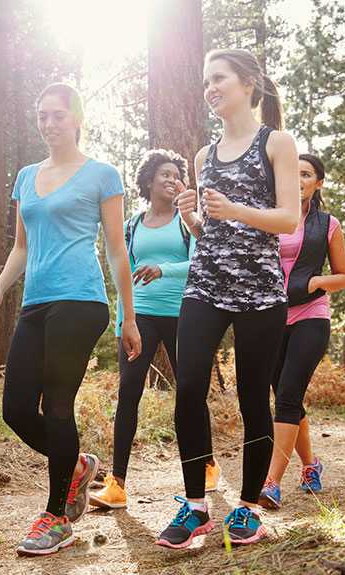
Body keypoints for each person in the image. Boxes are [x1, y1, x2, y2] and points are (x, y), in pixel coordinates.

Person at [0, 83, 141, 556]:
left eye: (57, 115)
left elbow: (116, 249)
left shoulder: (101, 175)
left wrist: (127, 317)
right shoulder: (27, 176)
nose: (48, 123)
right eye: (41, 115)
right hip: (36, 302)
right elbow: (21, 247)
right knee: (14, 408)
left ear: (76, 118)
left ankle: (55, 517)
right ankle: (75, 465)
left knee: (57, 405)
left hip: (81, 299)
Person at [155, 49, 300, 549]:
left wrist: (236, 207)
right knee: (189, 384)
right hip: (206, 283)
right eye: (205, 81)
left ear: (247, 84)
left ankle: (248, 508)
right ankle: (195, 506)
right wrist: (193, 216)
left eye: (218, 79)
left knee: (251, 395)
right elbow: (209, 232)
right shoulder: (204, 155)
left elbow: (288, 219)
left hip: (259, 289)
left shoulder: (276, 142)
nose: (209, 88)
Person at [90, 149, 220, 510]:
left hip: (185, 313)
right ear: (148, 180)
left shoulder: (186, 221)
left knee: (190, 394)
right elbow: (123, 273)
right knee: (128, 393)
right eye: (163, 173)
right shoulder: (132, 224)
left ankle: (206, 465)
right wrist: (122, 321)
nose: (170, 179)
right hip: (141, 314)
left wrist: (165, 269)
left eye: (176, 174)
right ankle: (117, 484)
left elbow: (200, 262)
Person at [259, 154, 345, 509]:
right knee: (287, 398)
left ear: (318, 182)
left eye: (306, 174)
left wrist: (314, 281)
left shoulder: (327, 224)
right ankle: (311, 466)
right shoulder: (268, 218)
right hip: (269, 317)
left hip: (311, 315)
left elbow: (343, 277)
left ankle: (271, 483)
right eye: (292, 171)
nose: (298, 178)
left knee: (287, 395)